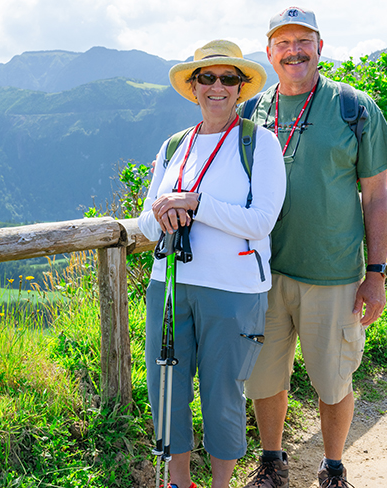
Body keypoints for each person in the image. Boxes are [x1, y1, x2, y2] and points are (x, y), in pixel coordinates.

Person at [240, 7, 387, 488]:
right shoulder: (254, 112)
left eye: (303, 40)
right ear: (269, 52)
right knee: (265, 379)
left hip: (333, 273)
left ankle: (333, 469)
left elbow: (376, 198)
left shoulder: (354, 108)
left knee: (333, 381)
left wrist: (375, 274)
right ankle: (273, 463)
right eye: (284, 42)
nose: (294, 50)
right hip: (263, 273)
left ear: (320, 46)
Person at [137, 40, 285, 488]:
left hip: (234, 288)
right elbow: (145, 225)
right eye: (207, 77)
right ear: (194, 86)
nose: (216, 87)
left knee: (223, 391)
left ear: (241, 88)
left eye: (227, 79)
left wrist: (196, 203)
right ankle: (179, 481)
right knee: (167, 388)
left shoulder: (260, 143)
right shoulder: (174, 145)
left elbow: (261, 221)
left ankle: (222, 483)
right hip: (169, 283)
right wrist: (164, 209)